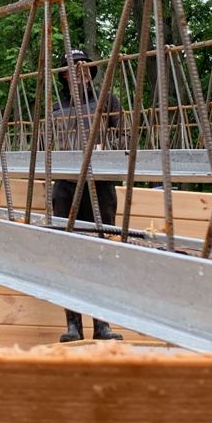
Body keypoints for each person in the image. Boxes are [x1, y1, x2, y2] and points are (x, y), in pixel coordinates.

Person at [48, 48, 124, 343]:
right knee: (69, 252)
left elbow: (125, 138)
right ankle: (73, 325)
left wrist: (106, 147)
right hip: (66, 185)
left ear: (90, 72)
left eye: (82, 68)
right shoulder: (56, 108)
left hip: (101, 185)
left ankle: (102, 323)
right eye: (69, 70)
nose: (76, 74)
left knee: (99, 251)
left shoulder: (108, 101)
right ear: (64, 76)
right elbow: (46, 145)